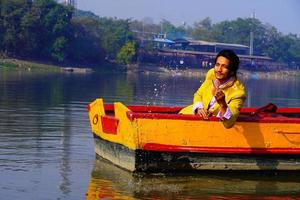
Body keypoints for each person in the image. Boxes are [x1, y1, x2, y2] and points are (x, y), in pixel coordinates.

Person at [180, 49, 246, 128]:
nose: (219, 70)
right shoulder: (212, 74)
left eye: (224, 67)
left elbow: (229, 123)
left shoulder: (238, 93)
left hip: (210, 128)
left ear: (232, 71)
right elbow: (198, 94)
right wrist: (199, 108)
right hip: (188, 117)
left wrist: (223, 104)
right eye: (217, 65)